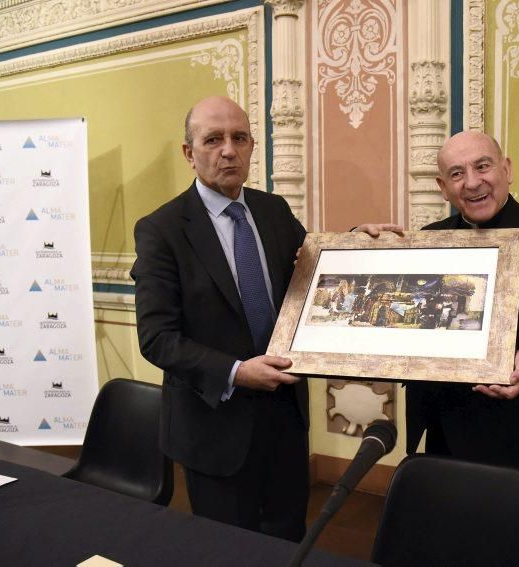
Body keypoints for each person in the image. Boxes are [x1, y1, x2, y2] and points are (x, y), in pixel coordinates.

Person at [361, 131, 519, 503]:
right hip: (443, 429)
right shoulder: (429, 239)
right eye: (456, 173)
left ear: (506, 169)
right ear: (442, 186)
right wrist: (358, 247)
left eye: (482, 166)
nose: (471, 183)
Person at [130, 96, 308, 541]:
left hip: (285, 418)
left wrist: (359, 244)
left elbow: (318, 274)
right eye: (213, 139)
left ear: (250, 147)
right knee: (227, 549)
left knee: (289, 539)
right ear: (189, 153)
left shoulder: (274, 211)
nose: (228, 150)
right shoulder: (161, 230)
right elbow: (157, 338)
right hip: (215, 425)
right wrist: (236, 372)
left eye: (239, 138)